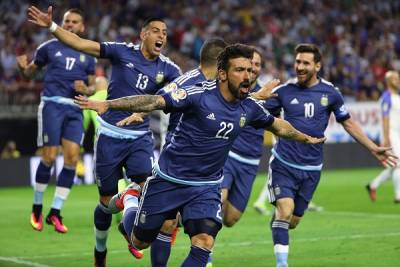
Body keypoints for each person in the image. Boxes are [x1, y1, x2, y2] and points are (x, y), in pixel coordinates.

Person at [75, 43, 327, 267]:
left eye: (250, 70)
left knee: (204, 242)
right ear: (222, 73)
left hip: (206, 186)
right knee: (139, 241)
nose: (248, 76)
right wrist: (110, 104)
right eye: (240, 70)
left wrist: (305, 137)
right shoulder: (197, 95)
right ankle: (131, 197)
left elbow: (277, 125)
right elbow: (153, 101)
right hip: (169, 180)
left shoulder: (249, 107)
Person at [27, 5, 182, 266]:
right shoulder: (122, 51)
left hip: (139, 139)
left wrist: (142, 114)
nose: (162, 36)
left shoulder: (168, 69)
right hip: (109, 136)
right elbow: (80, 43)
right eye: (156, 31)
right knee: (106, 204)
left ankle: (131, 228)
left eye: (165, 33)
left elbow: (174, 97)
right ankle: (100, 250)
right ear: (143, 34)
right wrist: (53, 27)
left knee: (147, 191)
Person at [260, 43, 397, 267]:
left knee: (291, 221)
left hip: (312, 169)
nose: (300, 67)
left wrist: (372, 147)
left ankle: (279, 225)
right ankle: (282, 263)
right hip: (283, 164)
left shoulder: (330, 92)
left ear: (317, 66)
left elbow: (349, 123)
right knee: (285, 211)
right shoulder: (284, 91)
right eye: (297, 62)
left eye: (305, 63)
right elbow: (261, 117)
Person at [17, 8, 96, 234]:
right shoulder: (48, 48)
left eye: (74, 22)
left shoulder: (88, 54)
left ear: (82, 27)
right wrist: (23, 69)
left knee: (71, 158)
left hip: (75, 109)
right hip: (52, 104)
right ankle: (36, 207)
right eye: (66, 21)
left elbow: (92, 86)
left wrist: (87, 89)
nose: (70, 25)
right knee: (50, 156)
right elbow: (30, 74)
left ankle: (55, 212)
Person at [366, 70, 400, 203]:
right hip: (390, 133)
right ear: (388, 81)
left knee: (394, 165)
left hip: (397, 133)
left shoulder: (397, 97)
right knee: (397, 164)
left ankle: (373, 185)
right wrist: (386, 138)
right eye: (395, 78)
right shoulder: (386, 97)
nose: (398, 80)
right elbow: (385, 118)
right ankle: (398, 196)